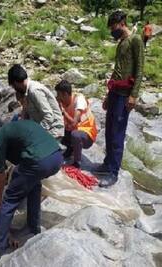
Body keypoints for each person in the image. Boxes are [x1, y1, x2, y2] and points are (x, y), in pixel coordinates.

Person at [0, 117, 63, 267]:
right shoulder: (17, 127)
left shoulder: (0, 137)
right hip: (57, 158)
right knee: (34, 184)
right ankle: (33, 227)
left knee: (9, 200)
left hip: (38, 161)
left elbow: (0, 173)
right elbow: (21, 163)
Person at [95, 10, 144, 187]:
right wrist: (108, 95)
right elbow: (117, 71)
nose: (111, 30)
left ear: (122, 23)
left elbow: (139, 69)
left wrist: (134, 95)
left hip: (125, 95)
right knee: (109, 130)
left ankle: (113, 172)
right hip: (115, 92)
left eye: (113, 27)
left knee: (117, 134)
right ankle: (107, 163)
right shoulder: (121, 42)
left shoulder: (135, 40)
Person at [8, 64, 64, 139]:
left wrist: (35, 132)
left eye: (13, 86)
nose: (14, 88)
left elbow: (48, 116)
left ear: (16, 82)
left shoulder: (34, 91)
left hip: (53, 131)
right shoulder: (26, 93)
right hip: (43, 130)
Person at [55, 80, 98, 169]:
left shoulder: (79, 100)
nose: (57, 97)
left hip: (87, 134)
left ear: (65, 94)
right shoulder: (63, 102)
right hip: (72, 130)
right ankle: (70, 148)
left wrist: (62, 111)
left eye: (59, 95)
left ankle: (77, 162)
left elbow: (74, 122)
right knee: (56, 130)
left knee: (75, 135)